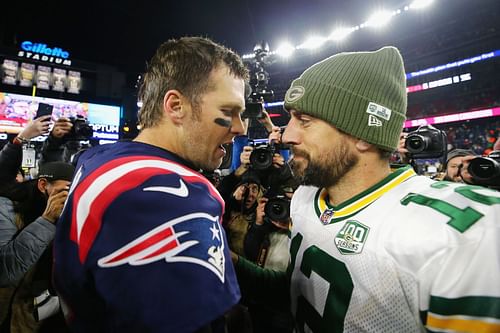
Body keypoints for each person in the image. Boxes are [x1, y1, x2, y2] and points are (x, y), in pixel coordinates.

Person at [234, 46, 500, 332]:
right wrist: (227, 262)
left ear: (362, 135)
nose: (287, 135)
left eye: (305, 121)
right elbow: (301, 292)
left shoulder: (465, 232)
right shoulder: (305, 196)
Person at [53, 36, 249, 333]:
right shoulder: (170, 195)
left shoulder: (100, 158)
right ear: (176, 106)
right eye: (228, 112)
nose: (240, 127)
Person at [0, 161, 73, 333]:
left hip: (36, 316)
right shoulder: (7, 209)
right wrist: (46, 220)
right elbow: (4, 272)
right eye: (66, 190)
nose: (71, 196)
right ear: (42, 185)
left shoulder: (70, 215)